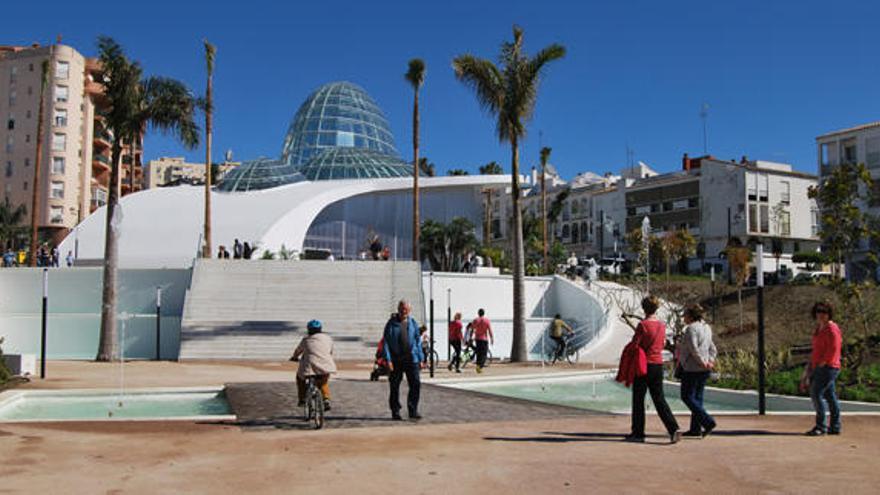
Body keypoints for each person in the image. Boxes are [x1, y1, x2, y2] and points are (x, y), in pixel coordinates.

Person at [626, 295, 681, 444]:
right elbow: (662, 344)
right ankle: (673, 428)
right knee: (659, 398)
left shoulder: (643, 325)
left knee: (638, 398)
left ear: (644, 309)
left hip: (644, 365)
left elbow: (635, 344)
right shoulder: (662, 326)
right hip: (658, 364)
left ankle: (638, 432)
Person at [676, 304, 717, 438]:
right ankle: (695, 428)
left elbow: (693, 349)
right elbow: (712, 347)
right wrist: (710, 361)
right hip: (704, 368)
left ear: (691, 316)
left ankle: (707, 421)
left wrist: (702, 362)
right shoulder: (706, 327)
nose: (684, 319)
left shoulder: (691, 329)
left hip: (692, 368)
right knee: (697, 398)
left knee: (686, 396)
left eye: (685, 316)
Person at [802, 302, 842, 436]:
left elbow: (834, 348)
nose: (821, 314)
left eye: (824, 312)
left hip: (828, 367)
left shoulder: (832, 328)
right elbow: (816, 349)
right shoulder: (819, 328)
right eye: (818, 311)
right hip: (818, 365)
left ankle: (821, 426)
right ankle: (835, 426)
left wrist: (823, 363)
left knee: (816, 393)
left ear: (829, 314)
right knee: (830, 396)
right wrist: (810, 366)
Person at [382, 299, 425, 420]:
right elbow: (385, 342)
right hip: (396, 359)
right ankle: (395, 411)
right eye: (401, 309)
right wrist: (388, 360)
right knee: (394, 386)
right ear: (398, 309)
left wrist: (421, 358)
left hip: (411, 358)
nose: (403, 311)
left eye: (405, 309)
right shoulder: (391, 324)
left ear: (409, 310)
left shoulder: (413, 323)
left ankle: (413, 410)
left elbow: (417, 341)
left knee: (415, 383)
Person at [290, 319, 337, 411]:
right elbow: (330, 351)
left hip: (309, 366)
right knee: (323, 381)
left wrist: (294, 357)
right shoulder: (328, 338)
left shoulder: (306, 339)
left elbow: (298, 350)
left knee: (300, 378)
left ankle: (302, 399)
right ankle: (326, 399)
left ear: (309, 329)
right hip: (326, 365)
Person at [471, 309, 494, 373]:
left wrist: (471, 337)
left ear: (478, 313)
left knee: (479, 353)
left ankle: (478, 366)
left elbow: (472, 329)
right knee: (484, 353)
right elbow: (489, 330)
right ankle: (480, 366)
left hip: (477, 339)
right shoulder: (487, 321)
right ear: (484, 313)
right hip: (484, 339)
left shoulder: (475, 320)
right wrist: (492, 338)